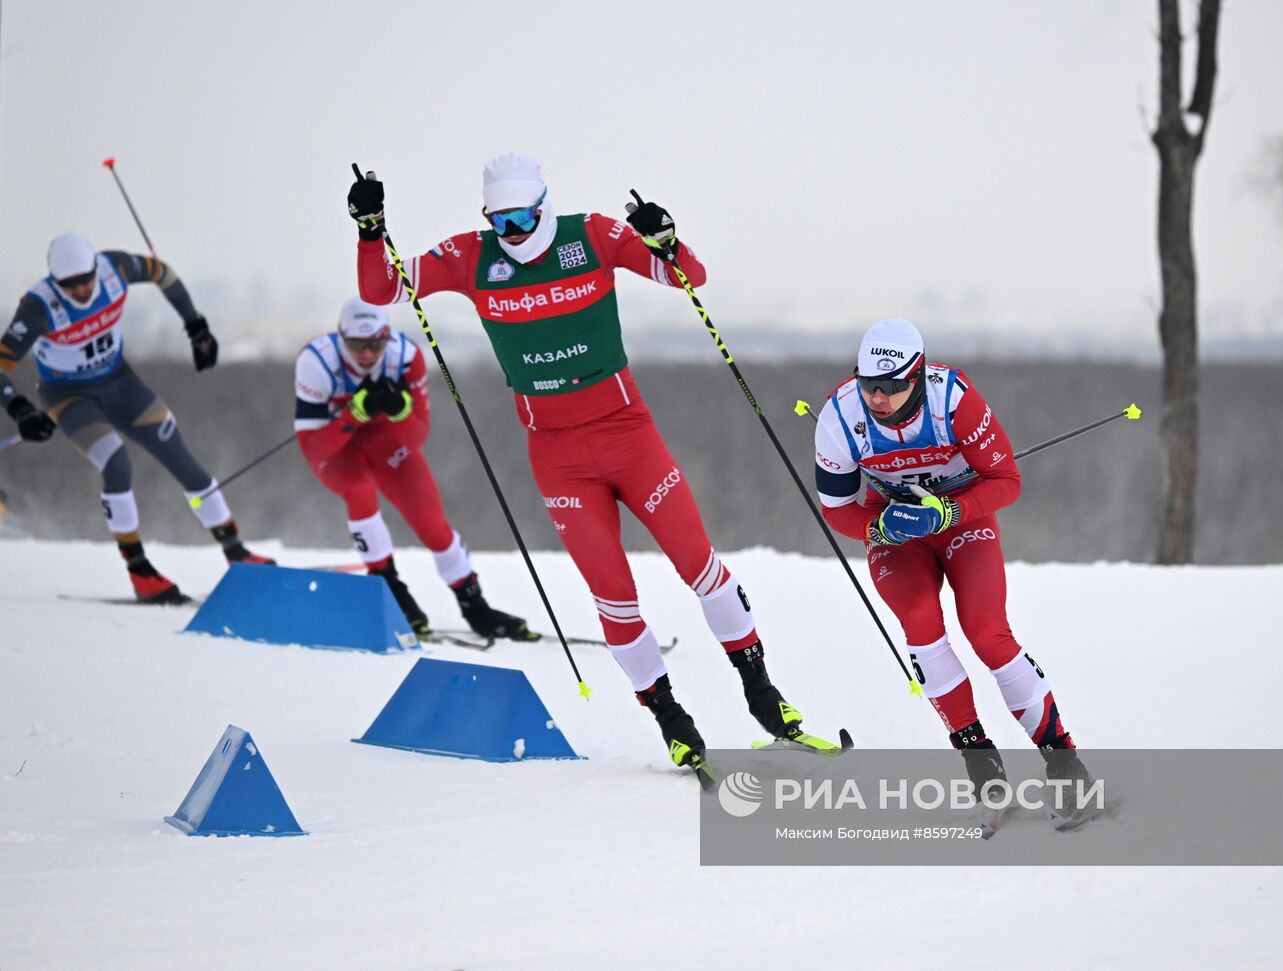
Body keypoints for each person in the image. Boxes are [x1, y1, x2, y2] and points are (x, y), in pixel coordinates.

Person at [347, 153, 829, 780]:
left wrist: (668, 238)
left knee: (700, 566)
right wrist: (369, 228)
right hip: (557, 455)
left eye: (521, 217)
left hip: (628, 435)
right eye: (499, 221)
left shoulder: (592, 235)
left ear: (543, 206)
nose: (511, 233)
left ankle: (763, 694)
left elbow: (689, 278)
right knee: (614, 599)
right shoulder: (472, 256)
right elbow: (381, 289)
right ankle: (671, 721)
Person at [813, 317, 1090, 820]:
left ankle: (1064, 763)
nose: (879, 397)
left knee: (986, 631)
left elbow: (1007, 480)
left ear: (916, 375)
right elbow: (835, 510)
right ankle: (980, 763)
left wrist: (948, 511)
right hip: (897, 531)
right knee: (919, 619)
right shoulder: (838, 416)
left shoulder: (954, 401)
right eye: (869, 384)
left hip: (962, 520)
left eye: (892, 386)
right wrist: (879, 527)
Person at [0, 233, 271, 603]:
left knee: (183, 461)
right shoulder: (38, 308)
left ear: (96, 267)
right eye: (69, 284)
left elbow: (165, 274)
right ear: (54, 281)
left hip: (120, 383)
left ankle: (236, 552)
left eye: (85, 279)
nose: (80, 290)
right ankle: (140, 570)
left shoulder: (116, 268)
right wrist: (21, 408)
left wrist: (195, 326)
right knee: (116, 461)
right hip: (68, 396)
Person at [295, 297, 532, 641]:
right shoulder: (316, 362)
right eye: (357, 345)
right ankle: (390, 589)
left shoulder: (404, 357)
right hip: (337, 446)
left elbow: (418, 435)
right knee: (359, 491)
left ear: (387, 337)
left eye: (376, 343)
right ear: (340, 337)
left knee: (432, 523)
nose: (367, 354)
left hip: (384, 441)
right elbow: (315, 448)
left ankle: (475, 607)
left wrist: (400, 409)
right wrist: (353, 414)